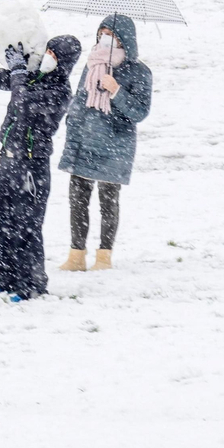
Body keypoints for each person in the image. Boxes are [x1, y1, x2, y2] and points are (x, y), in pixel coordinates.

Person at [0, 32, 81, 301]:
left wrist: (18, 72)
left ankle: (31, 285)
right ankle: (5, 278)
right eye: (48, 51)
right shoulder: (33, 77)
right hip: (7, 160)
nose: (47, 57)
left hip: (32, 166)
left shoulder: (60, 91)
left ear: (65, 62)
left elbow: (22, 104)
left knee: (26, 227)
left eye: (54, 55)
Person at [57, 14, 153, 271]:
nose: (105, 38)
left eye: (111, 34)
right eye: (102, 33)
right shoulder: (92, 63)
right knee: (77, 201)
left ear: (124, 39)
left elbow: (140, 112)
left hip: (115, 145)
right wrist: (72, 130)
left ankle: (104, 256)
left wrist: (116, 91)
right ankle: (76, 255)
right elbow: (79, 101)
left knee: (108, 201)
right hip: (84, 141)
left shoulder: (139, 71)